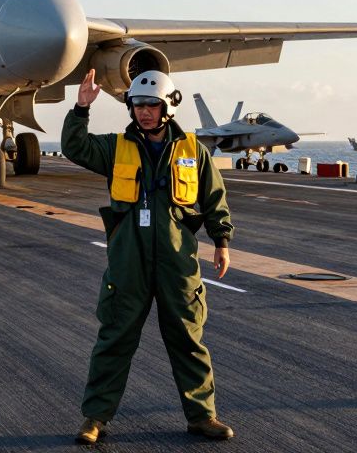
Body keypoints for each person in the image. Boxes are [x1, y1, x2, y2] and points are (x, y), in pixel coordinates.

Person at [64, 69, 235, 443]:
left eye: (151, 105)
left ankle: (203, 416)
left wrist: (221, 241)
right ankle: (95, 418)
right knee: (114, 339)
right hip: (129, 261)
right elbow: (75, 147)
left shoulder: (193, 150)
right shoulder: (116, 147)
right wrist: (81, 109)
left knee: (188, 339)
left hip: (177, 261)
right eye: (138, 105)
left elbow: (214, 198)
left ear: (168, 107)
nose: (143, 112)